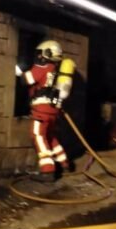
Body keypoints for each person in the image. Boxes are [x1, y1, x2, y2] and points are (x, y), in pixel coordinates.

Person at [16, 40, 75, 182]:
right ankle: (64, 163)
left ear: (47, 54)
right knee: (49, 136)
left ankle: (47, 171)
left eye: (40, 54)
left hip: (41, 111)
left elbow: (27, 80)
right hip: (53, 111)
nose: (39, 57)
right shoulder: (55, 70)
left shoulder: (42, 68)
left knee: (38, 136)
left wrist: (16, 69)